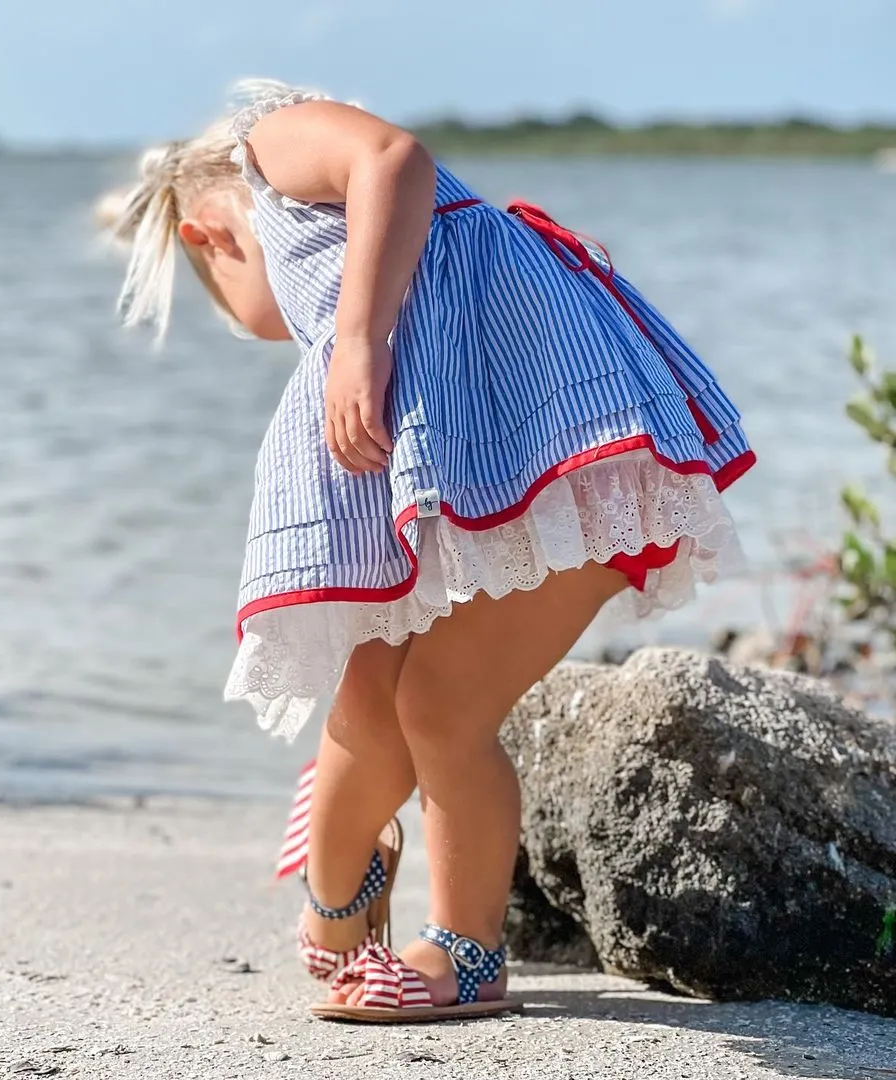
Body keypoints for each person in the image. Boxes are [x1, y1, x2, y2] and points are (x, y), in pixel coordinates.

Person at [98, 79, 756, 1023]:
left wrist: (357, 339)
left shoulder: (265, 145)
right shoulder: (352, 245)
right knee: (373, 700)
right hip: (499, 457)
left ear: (212, 236)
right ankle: (336, 910)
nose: (285, 326)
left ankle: (464, 950)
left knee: (440, 706)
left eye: (239, 304)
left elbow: (394, 158)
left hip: (565, 444)